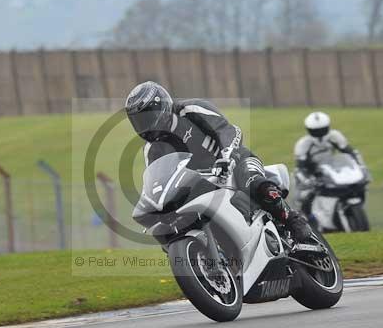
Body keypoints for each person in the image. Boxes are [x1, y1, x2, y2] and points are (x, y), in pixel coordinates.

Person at [125, 81, 312, 241]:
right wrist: (156, 208)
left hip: (232, 163)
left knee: (253, 182)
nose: (144, 125)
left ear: (162, 107)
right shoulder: (152, 149)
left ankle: (292, 219)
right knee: (170, 227)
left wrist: (226, 156)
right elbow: (157, 180)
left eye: (147, 117)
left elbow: (227, 130)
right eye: (138, 121)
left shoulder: (190, 110)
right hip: (201, 185)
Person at [293, 111, 370, 218]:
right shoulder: (303, 144)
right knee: (302, 197)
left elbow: (351, 152)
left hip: (330, 169)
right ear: (309, 130)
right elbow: (300, 168)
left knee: (357, 185)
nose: (320, 134)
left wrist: (361, 167)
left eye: (322, 129)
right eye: (315, 131)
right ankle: (304, 221)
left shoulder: (335, 136)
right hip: (312, 174)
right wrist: (307, 180)